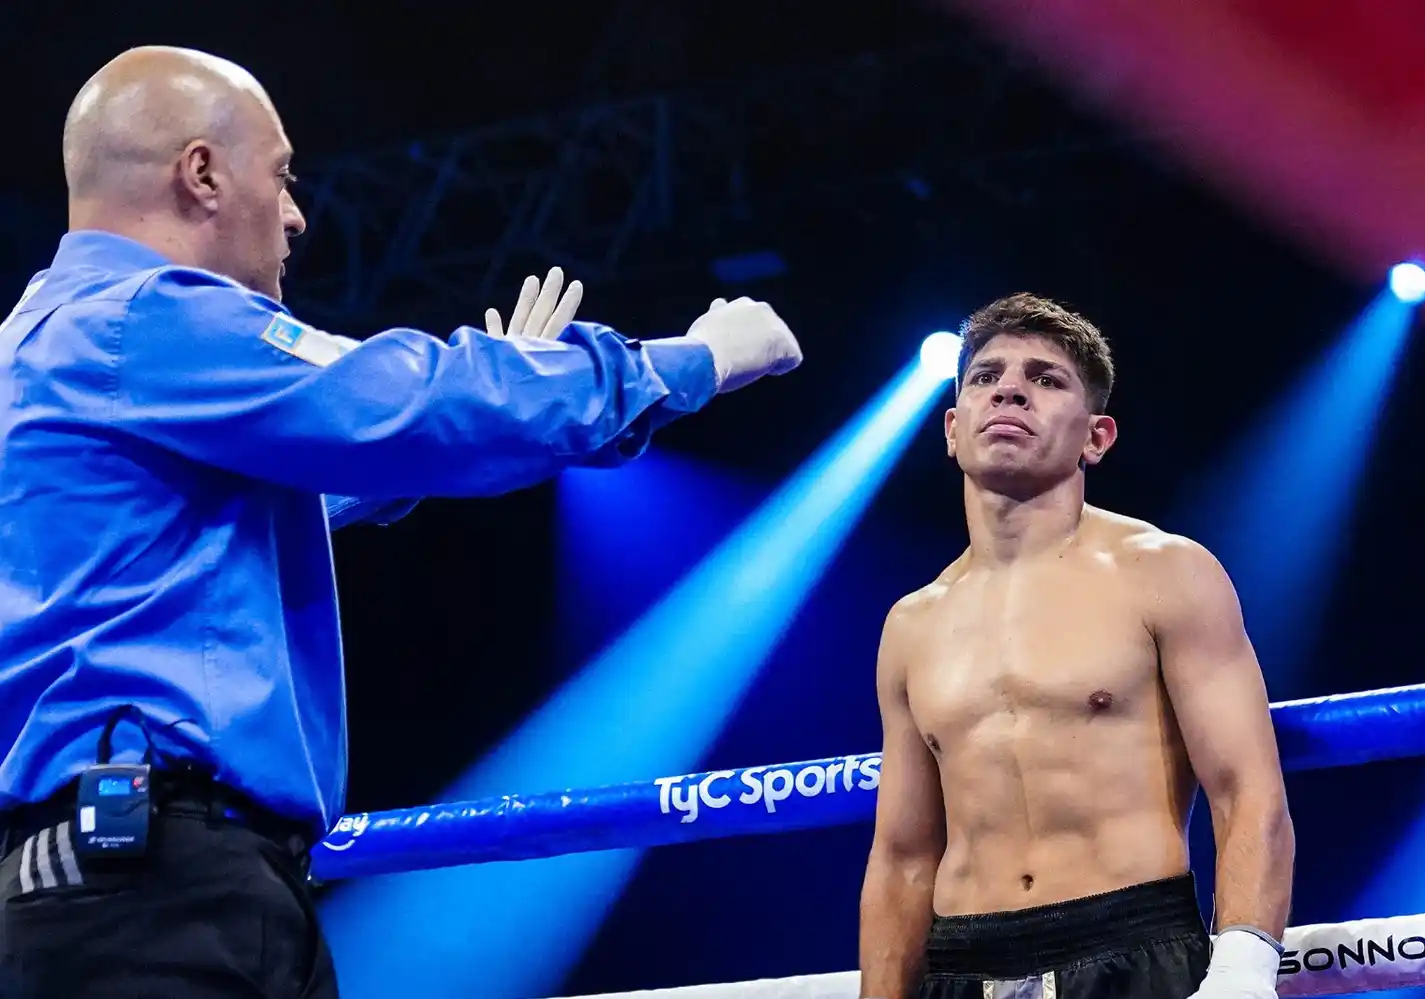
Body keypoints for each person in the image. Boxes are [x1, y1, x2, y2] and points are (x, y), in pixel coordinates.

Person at [0, 45, 802, 998]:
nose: (296, 212)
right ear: (202, 173)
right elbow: (397, 403)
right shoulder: (143, 319)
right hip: (151, 889)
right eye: (283, 173)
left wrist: (506, 395)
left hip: (127, 875)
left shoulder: (43, 340)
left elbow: (310, 490)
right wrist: (688, 362)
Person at [857, 294, 1294, 999]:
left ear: (1097, 437)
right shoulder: (912, 624)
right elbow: (904, 856)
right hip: (962, 962)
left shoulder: (1164, 571)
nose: (1008, 388)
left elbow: (1248, 791)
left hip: (1130, 946)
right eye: (985, 375)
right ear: (951, 427)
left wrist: (1243, 968)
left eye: (1045, 379)